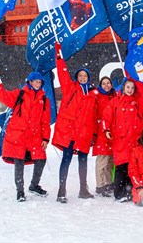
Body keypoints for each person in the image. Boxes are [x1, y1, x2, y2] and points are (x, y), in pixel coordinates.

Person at [0, 69, 51, 202]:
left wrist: (45, 138)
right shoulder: (19, 94)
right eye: (35, 81)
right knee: (19, 163)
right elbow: (2, 95)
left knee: (41, 160)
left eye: (40, 81)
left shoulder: (44, 100)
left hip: (35, 137)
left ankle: (34, 185)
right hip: (18, 135)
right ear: (30, 82)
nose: (38, 83)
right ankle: (20, 192)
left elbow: (45, 122)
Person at [52, 43, 98, 203]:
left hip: (84, 133)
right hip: (70, 132)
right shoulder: (70, 88)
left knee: (83, 161)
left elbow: (96, 114)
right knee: (66, 159)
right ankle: (61, 191)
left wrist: (94, 133)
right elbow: (62, 71)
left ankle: (83, 189)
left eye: (85, 76)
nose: (83, 78)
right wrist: (58, 53)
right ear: (77, 78)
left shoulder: (93, 94)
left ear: (89, 78)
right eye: (80, 76)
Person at [103, 79, 143, 202]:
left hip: (134, 141)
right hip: (120, 141)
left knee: (132, 168)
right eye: (128, 87)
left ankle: (129, 192)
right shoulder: (115, 102)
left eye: (132, 88)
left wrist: (134, 79)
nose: (130, 90)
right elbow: (106, 117)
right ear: (123, 88)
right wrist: (106, 130)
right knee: (120, 168)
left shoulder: (137, 102)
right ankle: (119, 194)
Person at [93, 76, 117, 197]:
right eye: (104, 83)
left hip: (113, 133)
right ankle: (100, 185)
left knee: (110, 162)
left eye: (108, 83)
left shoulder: (115, 96)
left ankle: (109, 183)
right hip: (102, 132)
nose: (106, 85)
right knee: (102, 161)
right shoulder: (97, 96)